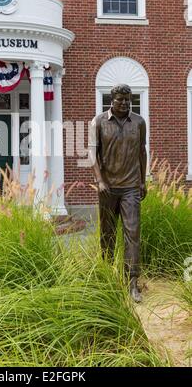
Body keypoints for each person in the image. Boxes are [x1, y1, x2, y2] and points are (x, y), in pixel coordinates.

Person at [88, 84, 147, 303]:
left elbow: (142, 151)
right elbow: (92, 154)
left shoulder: (139, 122)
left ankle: (132, 282)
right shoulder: (99, 122)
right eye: (120, 99)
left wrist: (142, 180)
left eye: (127, 99)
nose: (124, 102)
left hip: (131, 186)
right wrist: (100, 180)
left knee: (132, 234)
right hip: (108, 188)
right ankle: (106, 277)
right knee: (107, 234)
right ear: (111, 100)